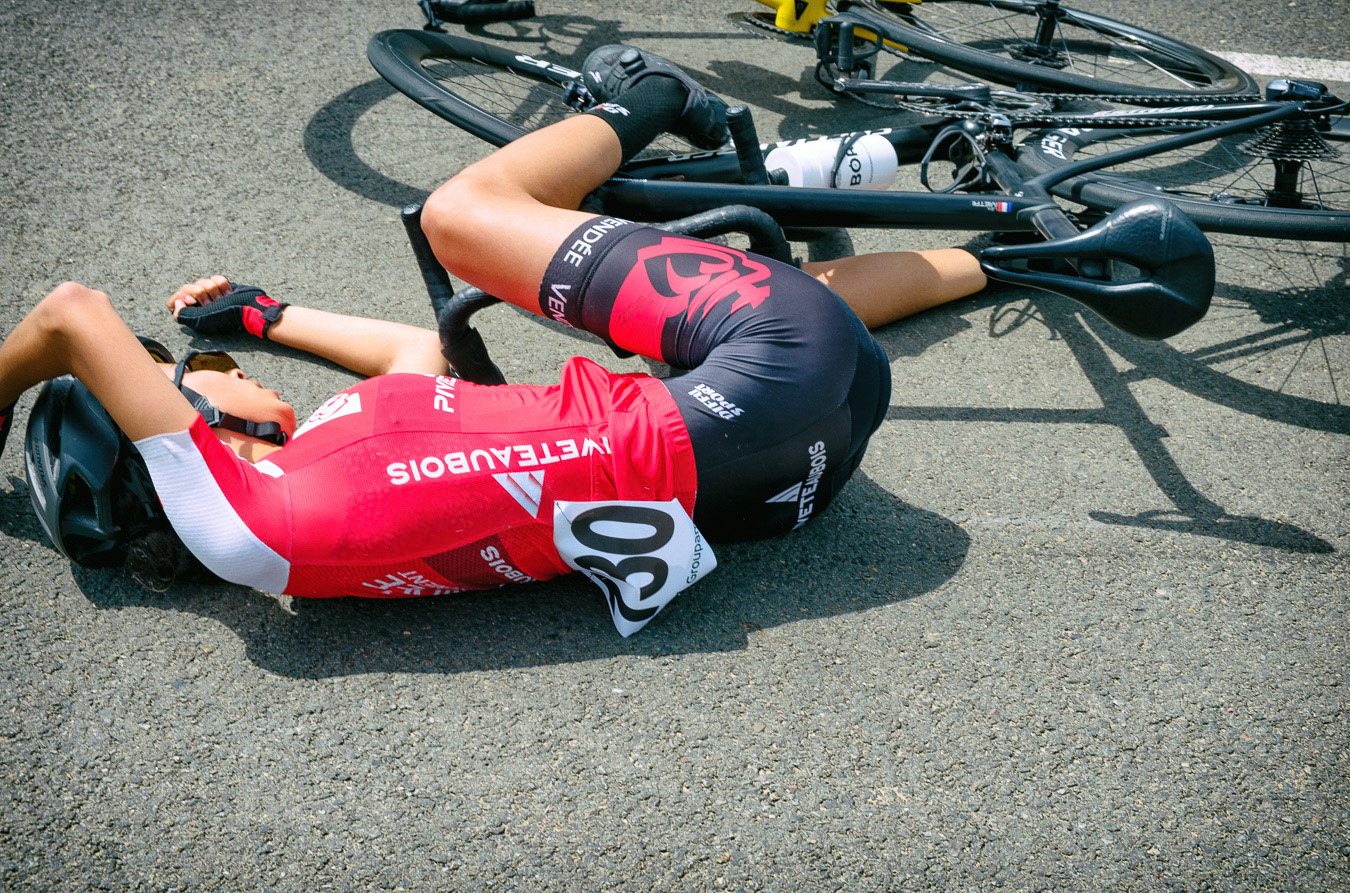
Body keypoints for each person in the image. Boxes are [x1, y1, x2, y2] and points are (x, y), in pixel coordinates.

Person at [0, 46, 985, 635]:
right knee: (462, 217)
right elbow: (71, 314)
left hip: (796, 472)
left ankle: (1028, 252)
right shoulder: (240, 524)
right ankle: (650, 95)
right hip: (774, 367)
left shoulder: (306, 535)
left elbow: (413, 362)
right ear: (186, 433)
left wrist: (266, 316)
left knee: (768, 328)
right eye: (202, 377)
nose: (226, 371)